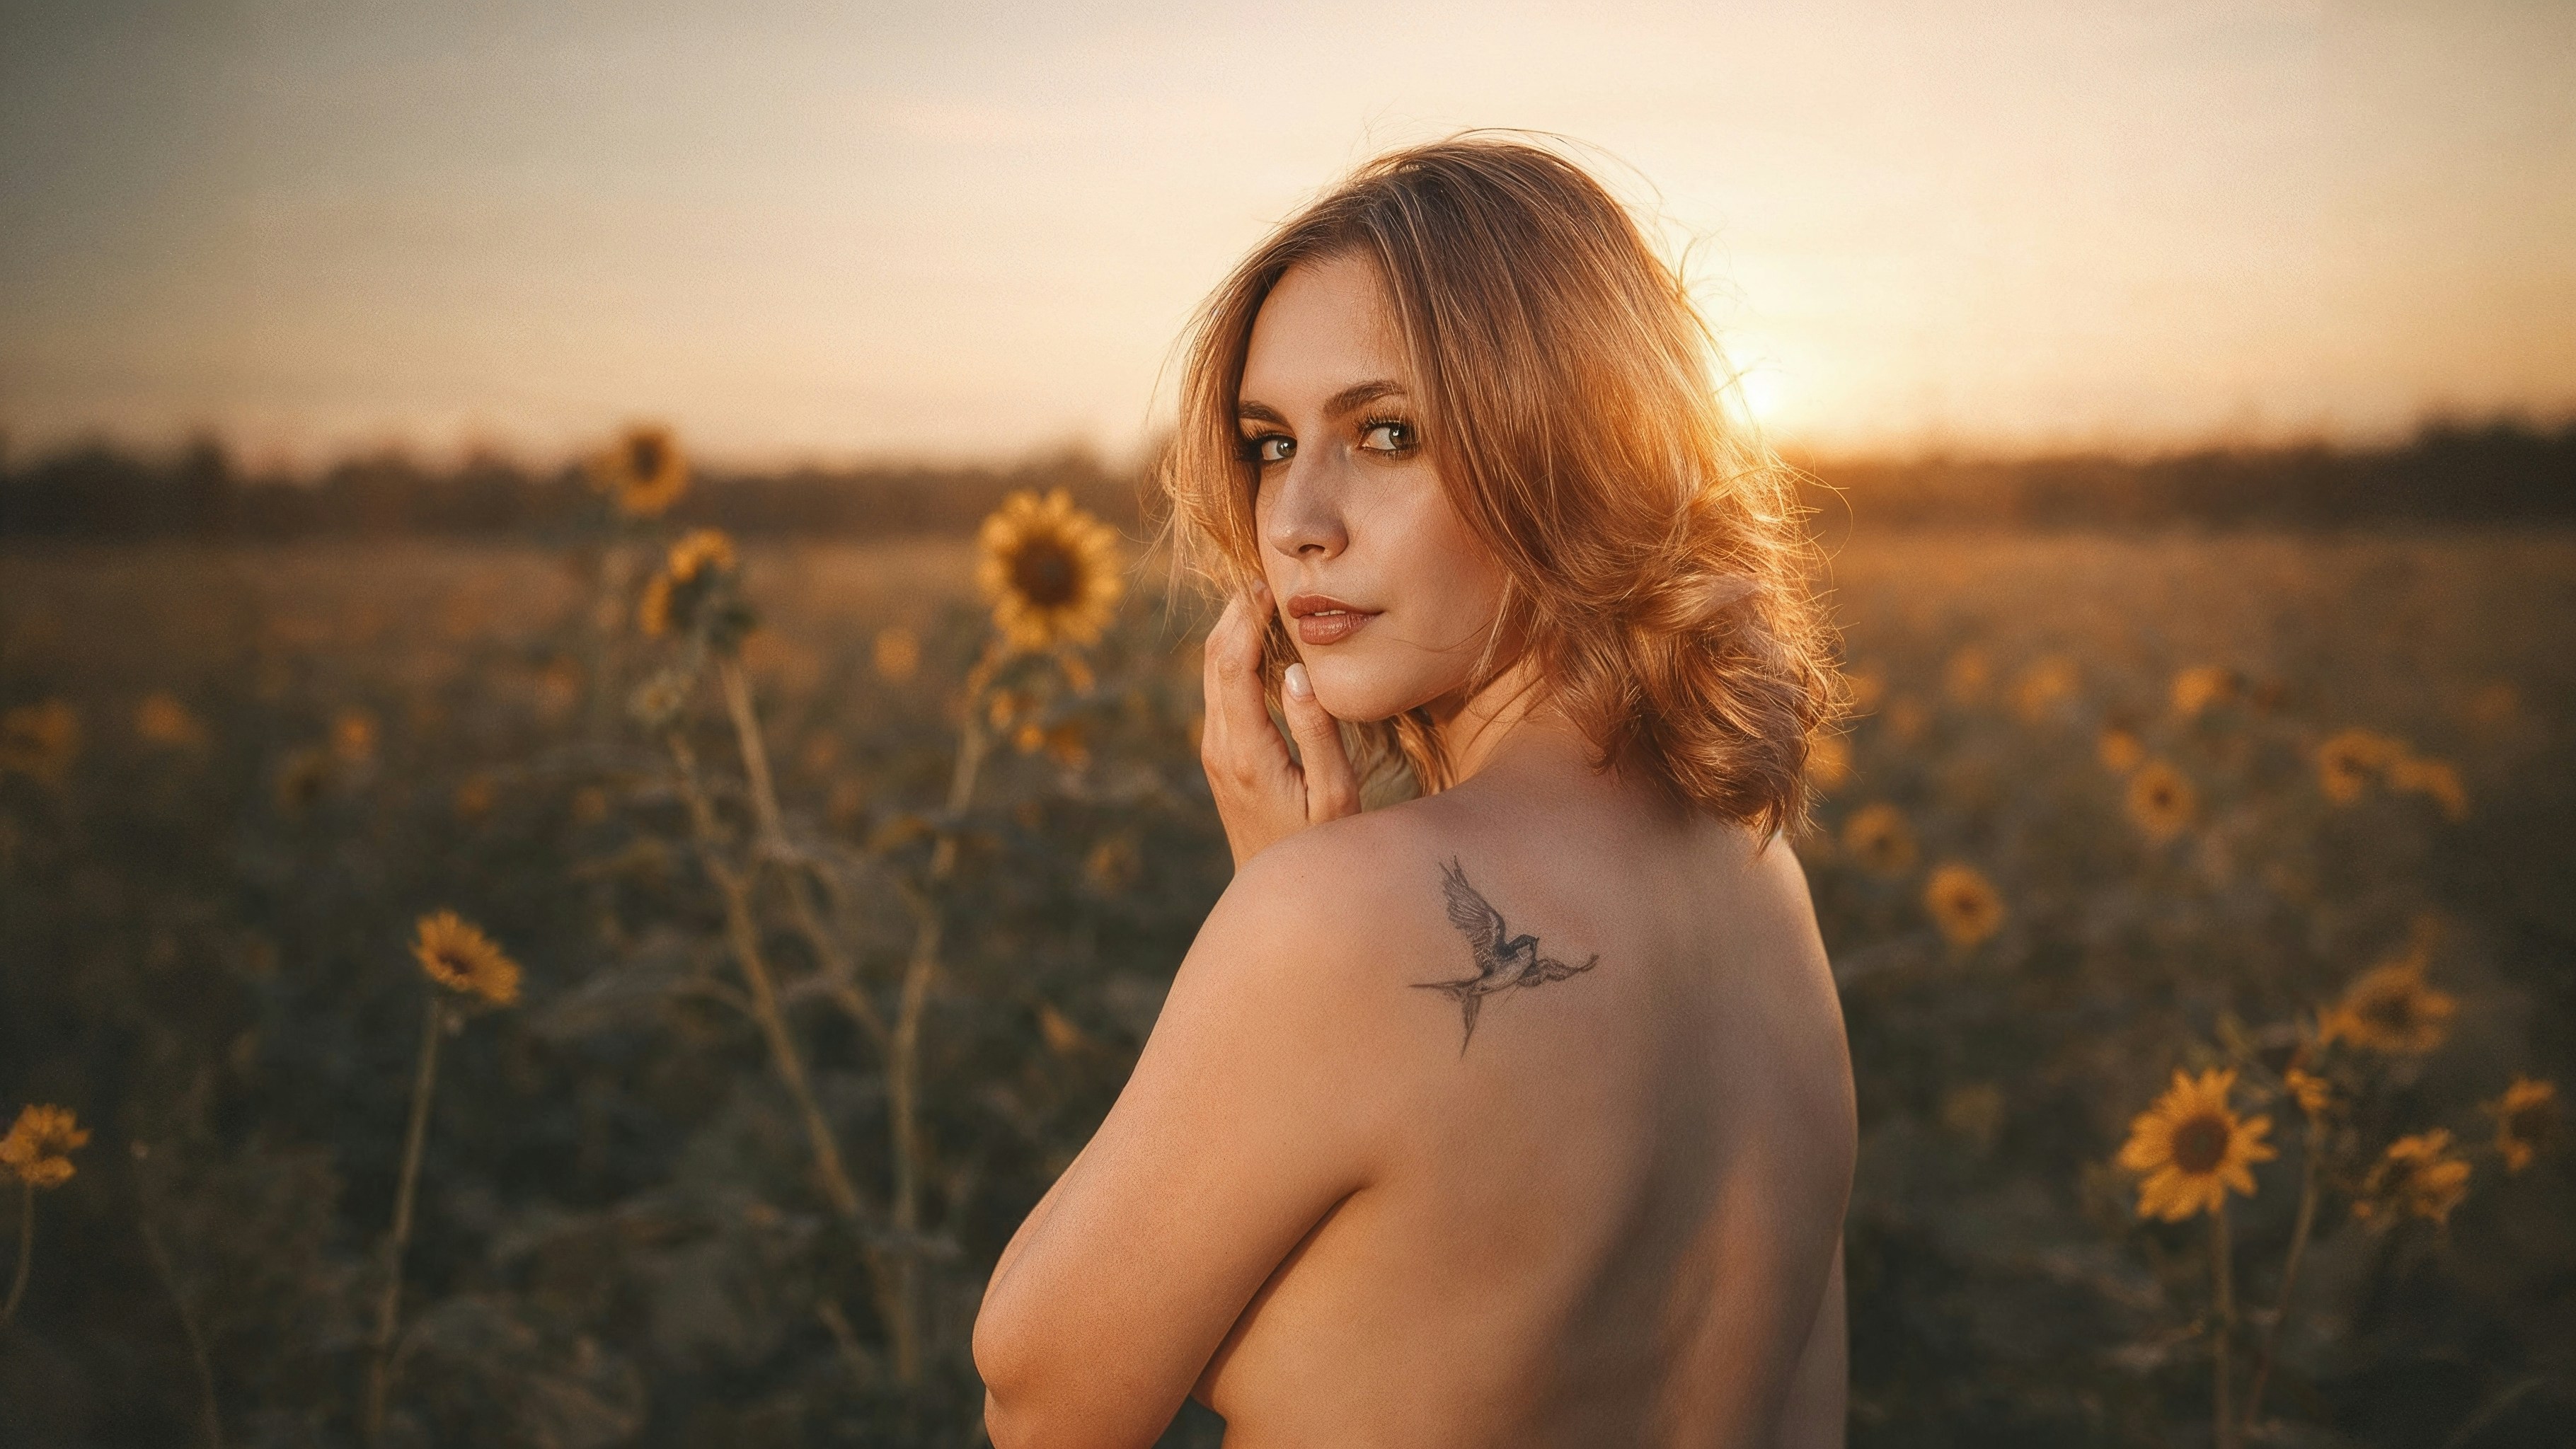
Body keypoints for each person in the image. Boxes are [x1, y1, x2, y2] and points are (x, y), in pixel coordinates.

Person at [973, 134, 1856, 1448]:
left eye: (1387, 434)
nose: (1295, 522)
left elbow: (1040, 1403)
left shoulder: (1335, 925)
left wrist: (1283, 896)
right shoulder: (1758, 881)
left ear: (1577, 452)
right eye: (1270, 444)